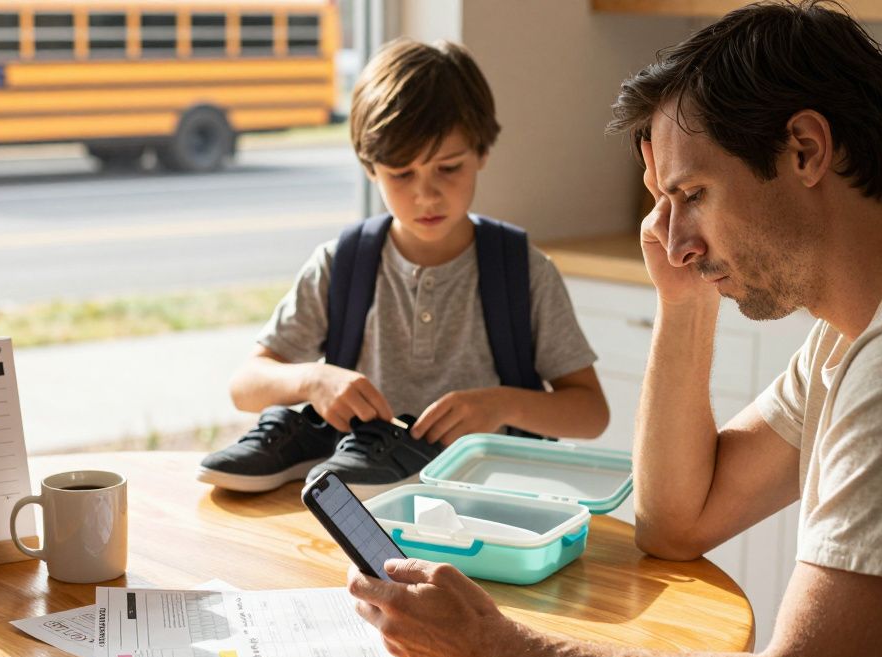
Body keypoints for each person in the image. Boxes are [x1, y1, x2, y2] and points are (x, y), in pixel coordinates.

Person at [346, 2, 882, 657]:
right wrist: (684, 301)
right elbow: (677, 522)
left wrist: (500, 652)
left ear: (806, 151)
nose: (675, 241)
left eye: (693, 195)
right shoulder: (864, 331)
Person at [199, 39, 608, 493]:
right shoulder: (340, 265)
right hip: (362, 503)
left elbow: (591, 412)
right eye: (401, 174)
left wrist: (503, 405)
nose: (426, 195)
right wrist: (313, 379)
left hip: (493, 502)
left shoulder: (524, 272)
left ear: (482, 152)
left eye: (448, 168)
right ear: (369, 167)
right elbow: (245, 385)